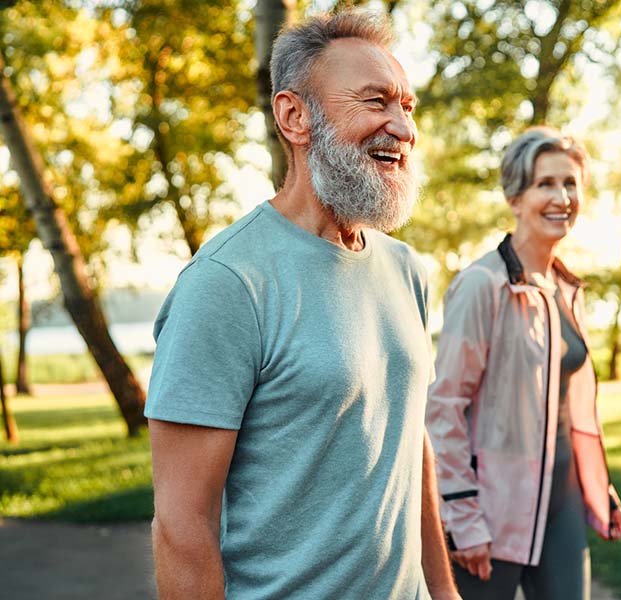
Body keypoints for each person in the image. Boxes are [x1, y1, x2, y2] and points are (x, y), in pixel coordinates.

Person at [145, 12, 459, 600]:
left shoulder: (406, 269)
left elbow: (408, 444)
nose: (402, 126)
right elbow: (182, 527)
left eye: (407, 107)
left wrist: (444, 592)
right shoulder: (227, 283)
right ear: (295, 117)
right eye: (375, 101)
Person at [426, 127, 621, 599]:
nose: (562, 197)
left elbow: (564, 407)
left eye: (570, 183)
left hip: (562, 509)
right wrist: (463, 519)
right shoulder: (482, 284)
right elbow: (443, 409)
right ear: (515, 197)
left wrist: (600, 486)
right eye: (545, 184)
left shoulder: (566, 288)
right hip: (491, 516)